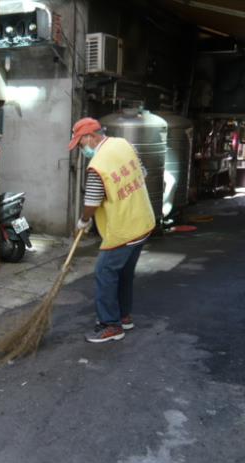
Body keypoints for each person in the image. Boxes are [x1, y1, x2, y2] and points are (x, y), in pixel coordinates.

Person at [68, 117, 155, 343]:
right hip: (142, 222)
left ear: (90, 136)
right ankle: (123, 316)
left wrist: (83, 220)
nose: (81, 149)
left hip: (123, 229)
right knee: (123, 273)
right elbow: (143, 173)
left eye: (80, 143)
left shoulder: (98, 165)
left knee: (105, 273)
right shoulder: (124, 145)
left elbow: (93, 200)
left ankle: (110, 325)